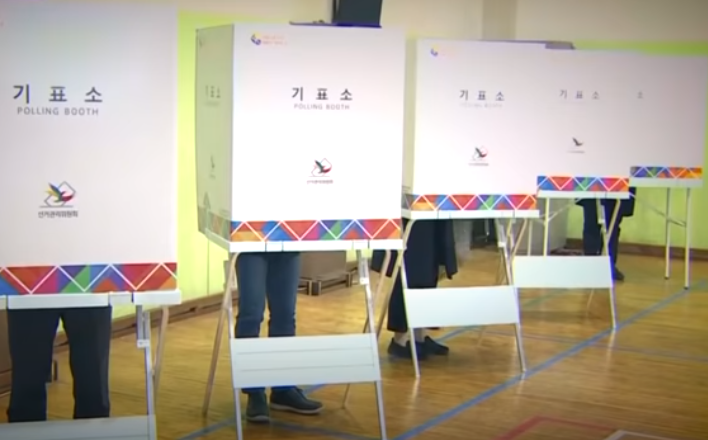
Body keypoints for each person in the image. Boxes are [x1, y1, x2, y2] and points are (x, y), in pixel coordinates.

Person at [233, 252, 323, 423]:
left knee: (285, 316)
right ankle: (254, 393)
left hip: (287, 244)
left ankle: (283, 389)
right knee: (251, 315)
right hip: (250, 244)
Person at [6, 307, 112, 422]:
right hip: (29, 299)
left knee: (93, 387)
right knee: (28, 383)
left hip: (90, 299)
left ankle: (94, 431)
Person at [371, 219, 458, 359]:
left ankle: (419, 338)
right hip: (406, 215)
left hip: (429, 212)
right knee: (406, 270)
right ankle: (399, 341)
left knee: (429, 266)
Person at [578, 187, 637, 281]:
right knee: (592, 219)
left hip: (618, 183)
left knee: (613, 223)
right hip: (593, 182)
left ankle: (609, 265)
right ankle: (590, 264)